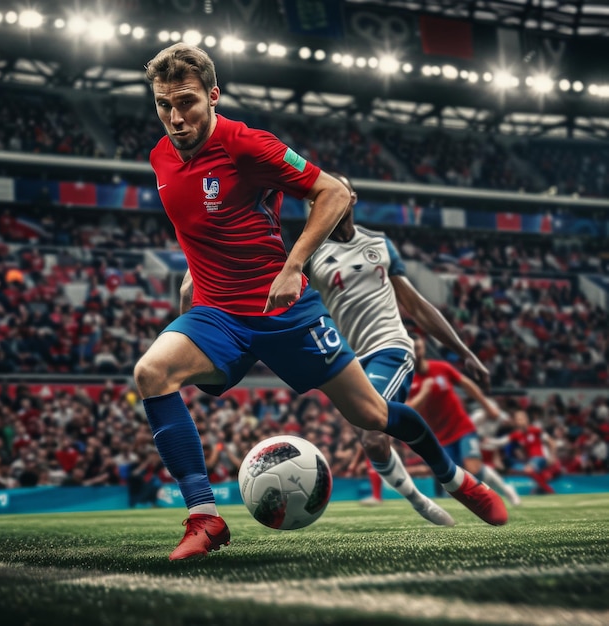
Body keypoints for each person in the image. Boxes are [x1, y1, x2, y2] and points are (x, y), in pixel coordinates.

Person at [134, 43, 507, 562]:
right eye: (163, 104)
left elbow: (331, 191)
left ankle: (455, 478)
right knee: (151, 373)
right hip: (218, 311)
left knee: (375, 416)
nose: (175, 117)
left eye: (188, 103)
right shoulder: (159, 157)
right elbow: (199, 227)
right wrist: (190, 284)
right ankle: (205, 516)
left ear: (213, 96)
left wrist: (291, 268)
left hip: (283, 309)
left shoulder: (248, 145)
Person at [308, 173, 457, 525]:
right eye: (317, 197)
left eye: (337, 190)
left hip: (390, 345)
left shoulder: (379, 243)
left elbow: (416, 304)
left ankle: (450, 482)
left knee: (374, 433)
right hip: (345, 361)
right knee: (372, 443)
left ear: (352, 197)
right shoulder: (310, 256)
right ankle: (418, 499)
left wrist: (462, 349)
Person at [408, 335, 521, 505]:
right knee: (453, 476)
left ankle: (506, 490)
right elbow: (408, 409)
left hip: (462, 427)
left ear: (423, 348)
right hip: (440, 436)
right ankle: (481, 501)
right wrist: (424, 393)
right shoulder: (407, 380)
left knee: (473, 467)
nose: (416, 352)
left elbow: (467, 384)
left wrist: (487, 406)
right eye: (412, 349)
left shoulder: (442, 368)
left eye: (418, 348)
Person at [486, 408, 557, 494]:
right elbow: (500, 442)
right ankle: (541, 489)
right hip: (530, 461)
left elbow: (551, 442)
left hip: (540, 458)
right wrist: (488, 441)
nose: (521, 420)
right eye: (518, 419)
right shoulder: (516, 435)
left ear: (527, 419)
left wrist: (552, 457)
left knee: (529, 469)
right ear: (515, 421)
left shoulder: (535, 430)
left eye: (522, 418)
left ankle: (548, 490)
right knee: (520, 469)